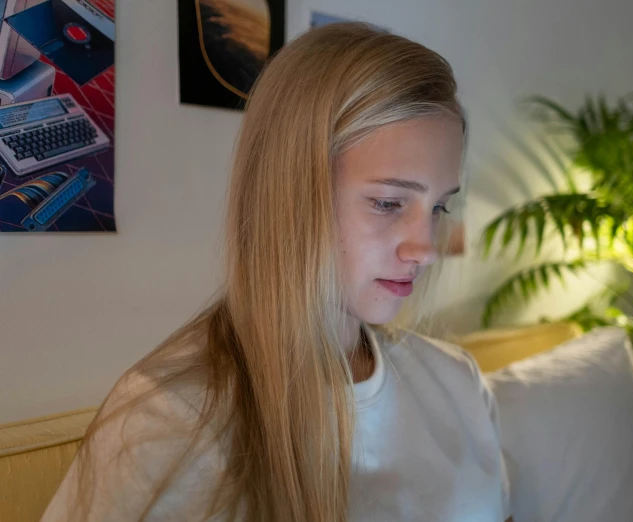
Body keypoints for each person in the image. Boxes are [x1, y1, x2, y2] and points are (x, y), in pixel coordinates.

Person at [42, 22, 512, 522]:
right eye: (389, 202)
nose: (426, 250)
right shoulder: (165, 425)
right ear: (289, 191)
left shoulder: (457, 382)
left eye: (439, 207)